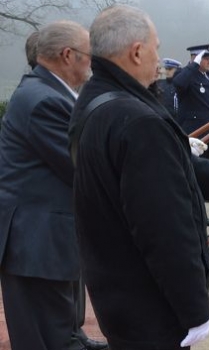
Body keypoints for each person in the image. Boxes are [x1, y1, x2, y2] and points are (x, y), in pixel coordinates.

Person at [69, 5, 209, 349]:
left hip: (116, 290)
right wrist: (194, 309)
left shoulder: (96, 102)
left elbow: (173, 165)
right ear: (136, 52)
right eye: (155, 46)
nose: (159, 56)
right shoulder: (138, 120)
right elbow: (165, 228)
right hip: (149, 302)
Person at [0, 20, 108, 350]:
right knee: (45, 338)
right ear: (67, 55)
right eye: (90, 56)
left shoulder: (50, 92)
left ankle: (75, 338)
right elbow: (83, 168)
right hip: (36, 244)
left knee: (61, 326)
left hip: (49, 238)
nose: (93, 64)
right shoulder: (43, 100)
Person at [173, 44, 209, 226]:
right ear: (195, 58)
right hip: (196, 135)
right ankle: (192, 215)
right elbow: (178, 84)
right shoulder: (188, 75)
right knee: (192, 174)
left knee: (204, 175)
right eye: (205, 59)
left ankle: (202, 215)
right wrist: (192, 66)